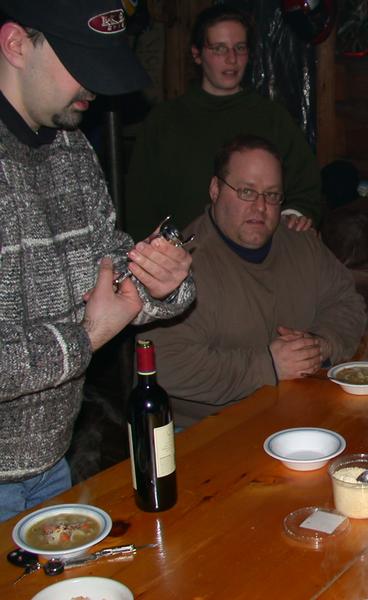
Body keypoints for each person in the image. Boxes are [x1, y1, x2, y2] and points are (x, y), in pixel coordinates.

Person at [0, 0, 196, 522]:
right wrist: (87, 336)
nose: (97, 87)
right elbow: (91, 324)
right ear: (17, 44)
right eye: (81, 64)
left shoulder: (71, 148)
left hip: (51, 464)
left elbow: (104, 270)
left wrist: (161, 283)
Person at [140, 134, 366, 428]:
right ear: (215, 189)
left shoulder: (301, 243)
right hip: (211, 431)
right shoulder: (179, 266)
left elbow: (348, 303)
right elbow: (166, 366)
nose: (260, 207)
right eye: (247, 192)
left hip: (303, 408)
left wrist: (322, 345)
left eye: (272, 195)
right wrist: (268, 366)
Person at [124, 3, 322, 242]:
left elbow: (307, 186)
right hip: (183, 259)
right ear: (197, 54)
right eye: (219, 49)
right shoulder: (164, 121)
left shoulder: (272, 117)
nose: (231, 59)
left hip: (256, 257)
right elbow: (139, 204)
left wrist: (294, 214)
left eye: (239, 48)